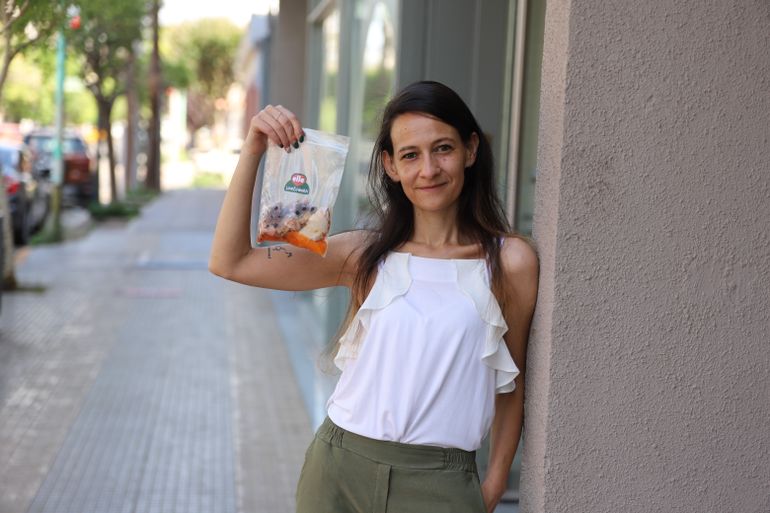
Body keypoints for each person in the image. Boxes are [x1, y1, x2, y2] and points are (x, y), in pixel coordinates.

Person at [209, 80, 539, 513]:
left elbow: (510, 388)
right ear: (390, 165)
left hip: (441, 483)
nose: (428, 169)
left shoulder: (509, 261)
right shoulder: (365, 254)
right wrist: (252, 149)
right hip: (339, 471)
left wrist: (493, 487)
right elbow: (230, 261)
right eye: (410, 155)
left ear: (470, 150)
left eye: (443, 148)